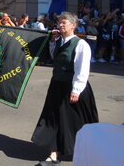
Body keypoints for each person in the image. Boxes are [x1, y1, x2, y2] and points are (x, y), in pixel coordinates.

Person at [31, 12, 99, 165]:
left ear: (73, 25)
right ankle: (54, 153)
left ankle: (86, 150)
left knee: (75, 122)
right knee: (54, 119)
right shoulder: (59, 41)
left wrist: (76, 90)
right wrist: (52, 41)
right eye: (59, 23)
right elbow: (54, 57)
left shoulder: (81, 44)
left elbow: (82, 70)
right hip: (57, 85)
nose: (60, 25)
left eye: (64, 23)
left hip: (72, 87)